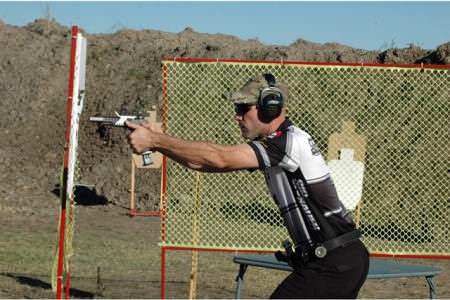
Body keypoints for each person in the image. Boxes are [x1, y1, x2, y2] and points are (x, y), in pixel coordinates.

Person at [127, 73, 369, 298]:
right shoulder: (282, 142)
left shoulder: (286, 142)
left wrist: (155, 139)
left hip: (334, 262)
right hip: (336, 259)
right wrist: (156, 145)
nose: (237, 116)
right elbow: (203, 164)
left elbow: (219, 159)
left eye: (243, 108)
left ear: (269, 107)